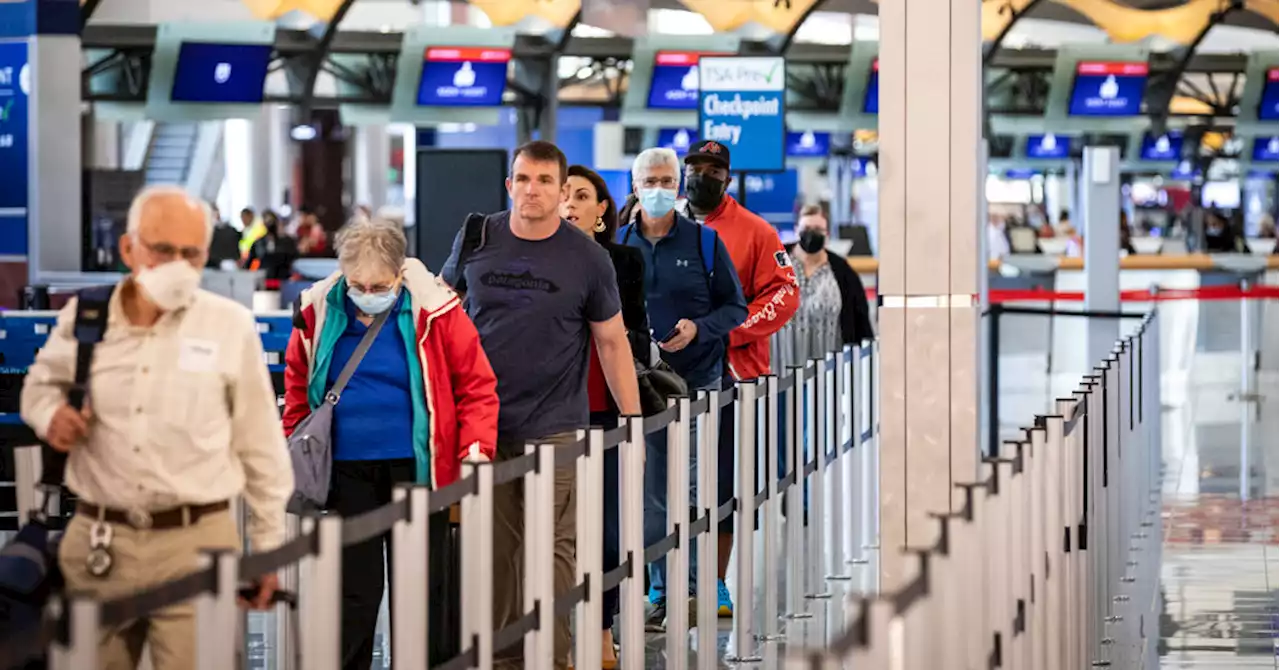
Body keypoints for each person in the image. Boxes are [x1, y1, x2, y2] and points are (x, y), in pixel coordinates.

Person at [20, 185, 293, 670]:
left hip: (197, 543)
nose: (176, 265)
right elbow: (39, 388)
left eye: (191, 254)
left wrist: (267, 550)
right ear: (129, 248)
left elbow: (261, 448)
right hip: (99, 541)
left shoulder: (228, 326)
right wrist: (50, 415)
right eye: (162, 250)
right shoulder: (86, 318)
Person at [440, 141, 642, 670]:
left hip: (556, 424)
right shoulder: (478, 236)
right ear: (509, 185)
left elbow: (612, 342)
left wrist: (634, 421)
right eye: (523, 179)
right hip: (484, 425)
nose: (533, 190)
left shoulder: (588, 258)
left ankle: (549, 657)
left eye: (545, 181)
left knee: (553, 550)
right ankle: (507, 660)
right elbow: (439, 312)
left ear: (560, 190)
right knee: (497, 554)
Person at [282, 217, 498, 669]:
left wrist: (476, 451)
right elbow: (299, 386)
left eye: (379, 285)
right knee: (352, 595)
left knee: (421, 590)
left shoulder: (436, 309)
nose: (367, 294)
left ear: (400, 275)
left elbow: (476, 386)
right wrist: (294, 447)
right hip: (345, 471)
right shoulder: (318, 307)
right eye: (357, 284)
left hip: (419, 468)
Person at [619, 147, 747, 630]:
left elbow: (734, 309)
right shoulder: (621, 245)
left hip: (698, 379)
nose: (658, 189)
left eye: (666, 180)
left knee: (694, 484)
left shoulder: (706, 243)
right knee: (652, 489)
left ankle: (694, 586)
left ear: (678, 186)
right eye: (649, 181)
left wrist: (698, 328)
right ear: (634, 188)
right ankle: (660, 586)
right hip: (645, 385)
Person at [678, 139, 799, 616]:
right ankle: (665, 584)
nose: (702, 176)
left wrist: (731, 331)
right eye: (695, 167)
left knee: (725, 483)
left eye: (712, 169)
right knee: (664, 484)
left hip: (734, 373)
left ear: (727, 178)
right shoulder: (662, 225)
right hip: (669, 374)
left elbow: (785, 293)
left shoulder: (756, 231)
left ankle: (715, 580)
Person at [559, 164, 650, 668]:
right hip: (551, 415)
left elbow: (631, 336)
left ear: (600, 213)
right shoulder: (532, 262)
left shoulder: (622, 261)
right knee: (558, 532)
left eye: (581, 196)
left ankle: (601, 624)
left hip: (605, 410)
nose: (569, 203)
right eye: (563, 194)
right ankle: (558, 629)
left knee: (609, 533)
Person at [790, 205, 875, 355]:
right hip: (780, 364)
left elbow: (861, 323)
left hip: (831, 367)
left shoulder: (843, 273)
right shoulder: (776, 263)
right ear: (796, 230)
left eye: (818, 229)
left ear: (827, 234)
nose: (811, 233)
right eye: (806, 228)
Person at [245, 210, 299, 281]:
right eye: (266, 221)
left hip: (283, 280)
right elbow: (249, 263)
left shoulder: (287, 241)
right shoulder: (259, 243)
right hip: (264, 280)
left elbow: (295, 259)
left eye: (271, 221)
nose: (269, 224)